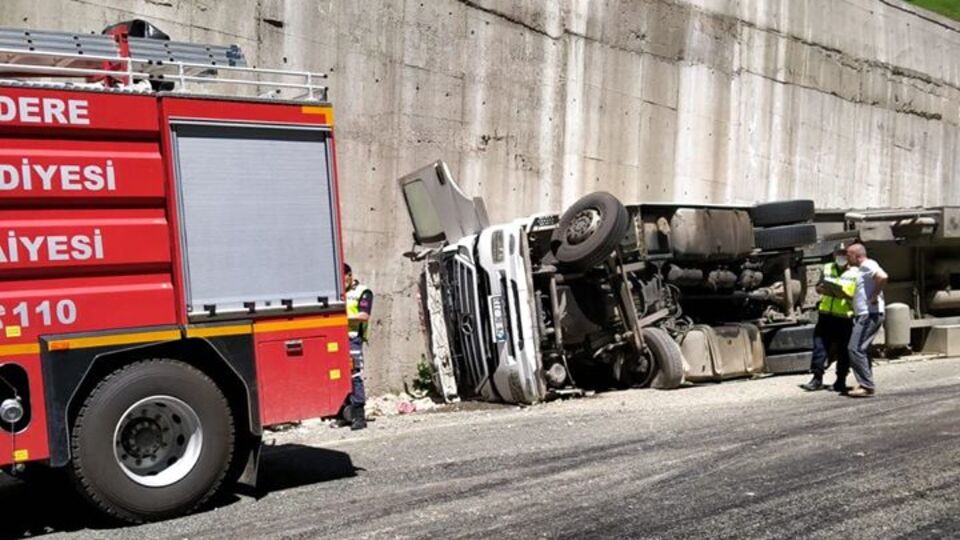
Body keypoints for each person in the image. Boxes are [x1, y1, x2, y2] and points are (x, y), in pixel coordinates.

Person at [801, 243, 858, 392]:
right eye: (838, 253)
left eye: (844, 254)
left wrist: (846, 295)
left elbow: (858, 296)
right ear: (833, 255)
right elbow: (818, 286)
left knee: (843, 350)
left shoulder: (856, 272)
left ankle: (840, 380)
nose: (841, 257)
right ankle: (817, 378)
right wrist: (821, 289)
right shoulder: (827, 268)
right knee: (819, 347)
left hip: (844, 317)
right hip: (826, 315)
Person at [845, 243, 887, 398]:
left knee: (854, 348)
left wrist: (874, 296)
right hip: (864, 314)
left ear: (857, 256)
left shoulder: (868, 264)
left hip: (869, 314)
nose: (846, 258)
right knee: (862, 349)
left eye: (849, 255)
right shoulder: (861, 268)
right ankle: (866, 382)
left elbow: (883, 277)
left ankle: (866, 386)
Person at [344, 263, 373, 429]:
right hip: (337, 339)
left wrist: (341, 319)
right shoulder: (338, 293)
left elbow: (364, 315)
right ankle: (344, 413)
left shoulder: (363, 292)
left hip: (353, 338)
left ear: (350, 275)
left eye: (344, 278)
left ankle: (359, 416)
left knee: (354, 375)